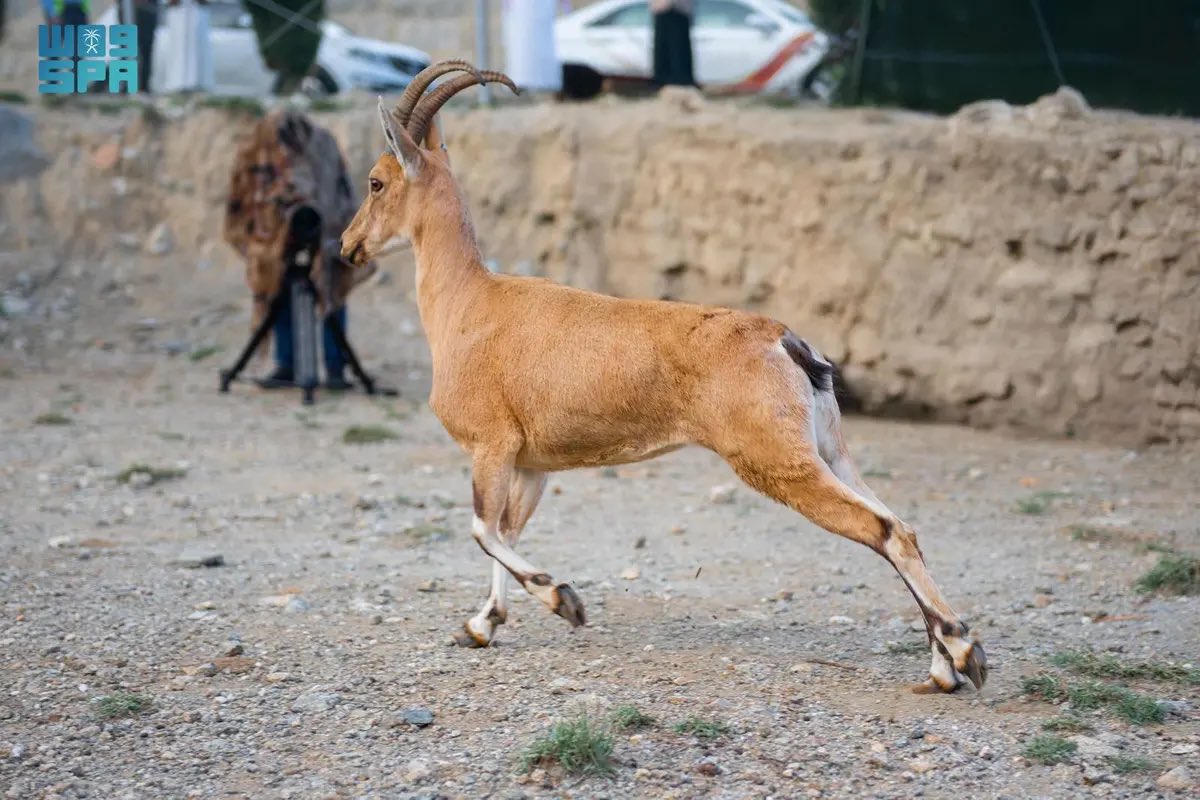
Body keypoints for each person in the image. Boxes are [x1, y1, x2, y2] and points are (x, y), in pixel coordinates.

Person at [502, 0, 563, 94]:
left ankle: (542, 82)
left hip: (542, 14)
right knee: (522, 45)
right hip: (521, 12)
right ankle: (522, 81)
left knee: (540, 44)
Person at [159, 0, 212, 93]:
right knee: (176, 48)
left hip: (197, 10)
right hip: (178, 10)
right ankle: (176, 82)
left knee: (197, 47)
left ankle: (198, 82)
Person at [650, 0, 695, 89]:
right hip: (662, 9)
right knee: (662, 49)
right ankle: (662, 81)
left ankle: (681, 80)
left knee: (679, 49)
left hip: (680, 11)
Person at [117, 0, 159, 94]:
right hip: (127, 9)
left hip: (147, 9)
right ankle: (125, 85)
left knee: (146, 49)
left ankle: (144, 86)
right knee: (125, 48)